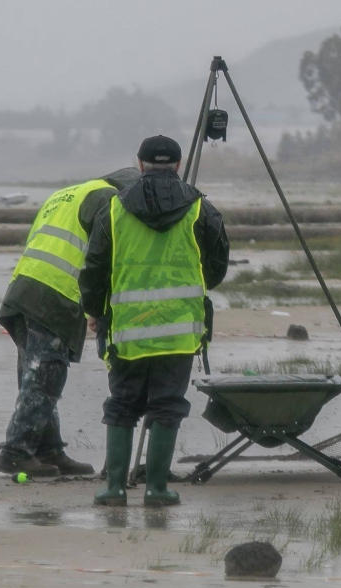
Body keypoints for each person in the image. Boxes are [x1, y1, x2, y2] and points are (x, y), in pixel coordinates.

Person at [80, 135, 229, 506]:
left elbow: (95, 267)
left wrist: (96, 311)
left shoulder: (113, 209)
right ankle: (157, 489)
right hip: (179, 333)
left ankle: (114, 488)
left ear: (140, 163)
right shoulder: (200, 208)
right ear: (177, 165)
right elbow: (217, 268)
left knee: (122, 404)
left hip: (127, 332)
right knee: (167, 405)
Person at [0, 167, 139, 478]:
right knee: (46, 376)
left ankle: (48, 450)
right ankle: (17, 452)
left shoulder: (66, 194)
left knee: (34, 373)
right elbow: (106, 256)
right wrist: (100, 308)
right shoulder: (110, 199)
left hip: (23, 288)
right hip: (55, 293)